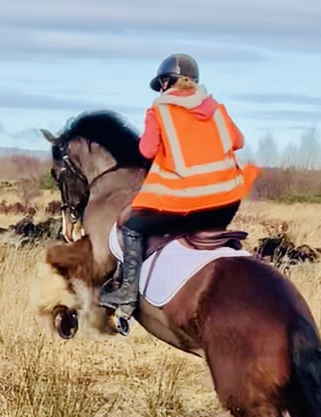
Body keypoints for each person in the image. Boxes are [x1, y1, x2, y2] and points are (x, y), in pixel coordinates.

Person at [99, 53, 260, 335]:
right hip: (225, 203)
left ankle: (126, 295)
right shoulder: (217, 110)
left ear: (164, 83)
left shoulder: (159, 111)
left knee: (133, 227)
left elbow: (147, 151)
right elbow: (238, 141)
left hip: (188, 203)